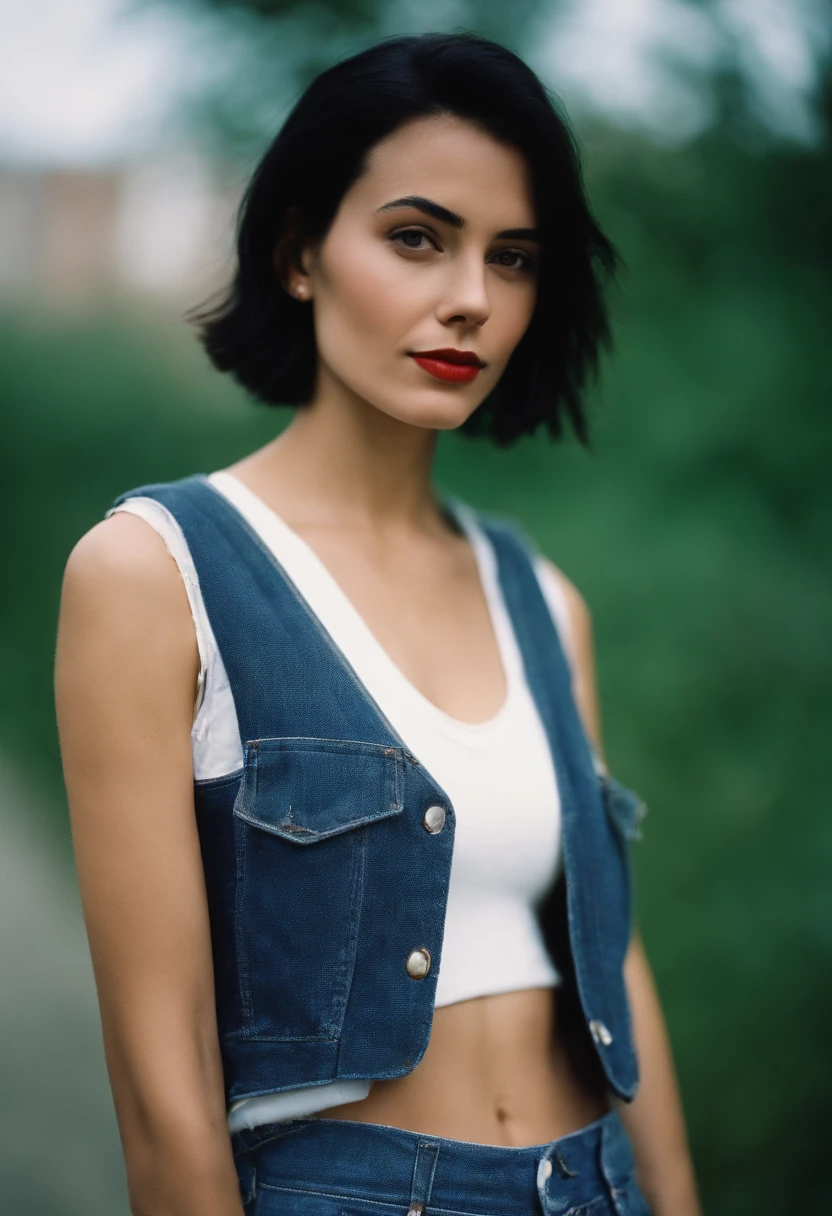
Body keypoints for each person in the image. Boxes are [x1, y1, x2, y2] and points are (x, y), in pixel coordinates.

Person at [55, 30, 702, 1216]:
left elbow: (615, 965)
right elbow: (165, 1093)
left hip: (593, 1183)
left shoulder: (542, 597)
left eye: (511, 258)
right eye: (417, 238)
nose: (469, 299)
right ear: (301, 251)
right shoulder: (156, 573)